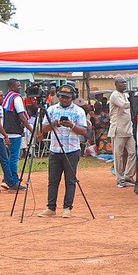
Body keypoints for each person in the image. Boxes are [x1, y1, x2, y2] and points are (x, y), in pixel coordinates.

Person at [43, 84, 87, 218]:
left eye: (67, 97)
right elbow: (44, 128)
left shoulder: (79, 111)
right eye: (62, 96)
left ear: (72, 98)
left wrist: (72, 126)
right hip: (55, 149)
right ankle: (51, 207)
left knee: (70, 180)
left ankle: (68, 208)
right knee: (53, 180)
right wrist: (55, 123)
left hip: (71, 150)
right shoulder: (51, 110)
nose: (64, 99)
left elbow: (84, 131)